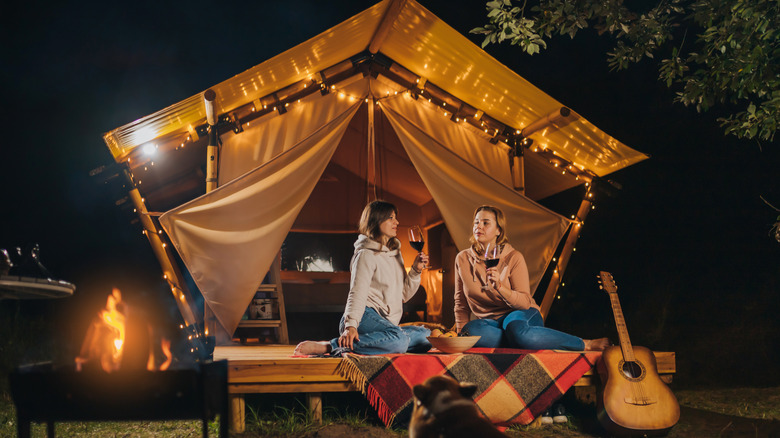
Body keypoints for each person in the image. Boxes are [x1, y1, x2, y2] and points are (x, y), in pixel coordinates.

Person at [454, 205, 609, 351]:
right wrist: (460, 339)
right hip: (490, 324)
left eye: (485, 223)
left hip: (520, 314)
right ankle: (521, 341)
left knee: (517, 331)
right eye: (476, 222)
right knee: (470, 330)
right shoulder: (462, 259)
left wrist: (500, 287)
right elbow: (461, 303)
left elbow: (524, 302)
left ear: (498, 231)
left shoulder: (514, 257)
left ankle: (584, 343)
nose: (478, 226)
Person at [294, 200, 431, 356]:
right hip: (364, 317)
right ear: (377, 220)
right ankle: (331, 346)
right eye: (391, 218)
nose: (397, 222)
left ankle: (388, 341)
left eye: (395, 218)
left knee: (426, 336)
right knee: (399, 340)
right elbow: (357, 292)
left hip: (385, 323)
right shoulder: (366, 254)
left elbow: (404, 295)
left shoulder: (395, 252)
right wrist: (350, 326)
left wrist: (416, 270)